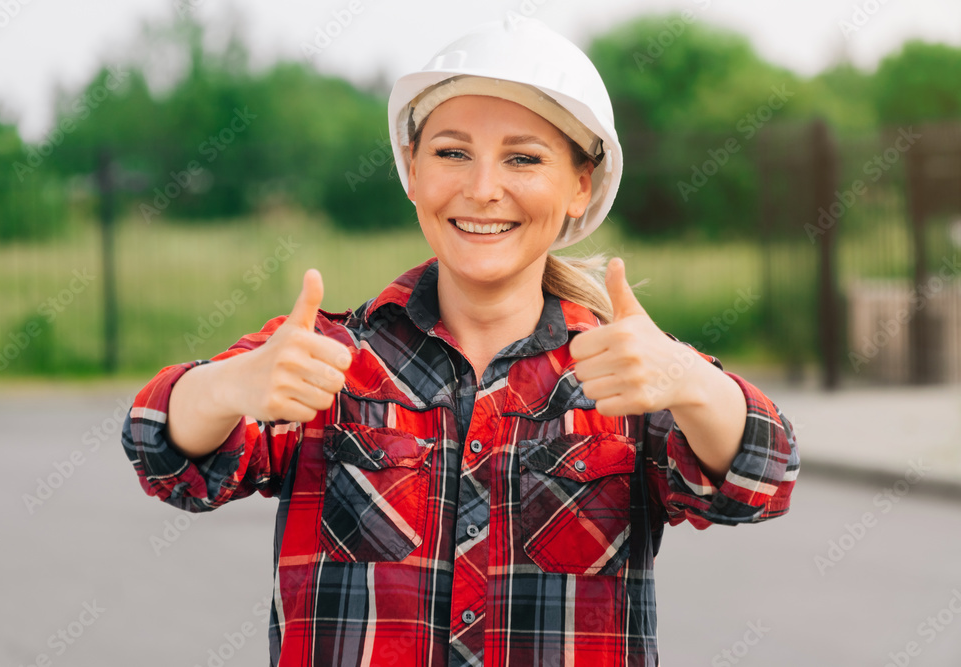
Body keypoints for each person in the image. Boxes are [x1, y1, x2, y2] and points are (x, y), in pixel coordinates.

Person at [122, 16, 799, 667]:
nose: (482, 189)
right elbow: (161, 451)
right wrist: (227, 387)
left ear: (579, 185)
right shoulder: (325, 357)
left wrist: (690, 379)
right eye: (452, 153)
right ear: (412, 169)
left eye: (523, 158)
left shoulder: (631, 372)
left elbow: (764, 478)